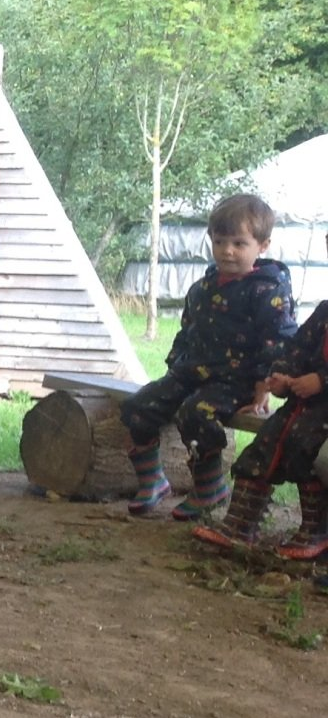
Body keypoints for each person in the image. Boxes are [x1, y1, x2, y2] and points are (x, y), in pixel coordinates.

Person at [120, 194, 295, 520]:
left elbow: (277, 341)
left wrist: (263, 388)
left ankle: (210, 487)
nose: (227, 251)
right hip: (192, 372)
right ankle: (153, 481)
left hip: (236, 381)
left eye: (239, 243)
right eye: (219, 241)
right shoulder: (202, 288)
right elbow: (187, 331)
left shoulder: (268, 290)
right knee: (137, 406)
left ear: (263, 245)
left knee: (195, 413)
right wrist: (175, 367)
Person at [194, 230, 328, 554]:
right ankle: (240, 527)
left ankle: (317, 532)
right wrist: (283, 375)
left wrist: (322, 380)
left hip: (322, 411)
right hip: (305, 406)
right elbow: (296, 347)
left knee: (304, 449)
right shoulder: (325, 312)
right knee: (264, 446)